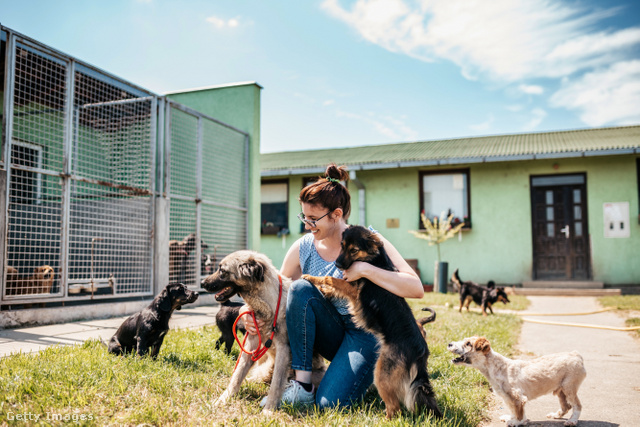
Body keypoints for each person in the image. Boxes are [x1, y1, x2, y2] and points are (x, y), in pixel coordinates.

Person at [247, 163, 424, 409]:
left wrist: (365, 269)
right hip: (328, 332)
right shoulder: (303, 247)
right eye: (304, 217)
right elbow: (275, 294)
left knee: (330, 404)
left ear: (337, 215)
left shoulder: (367, 239)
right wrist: (249, 316)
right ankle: (303, 385)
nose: (307, 224)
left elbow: (416, 288)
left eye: (313, 218)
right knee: (299, 289)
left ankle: (361, 374)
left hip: (364, 335)